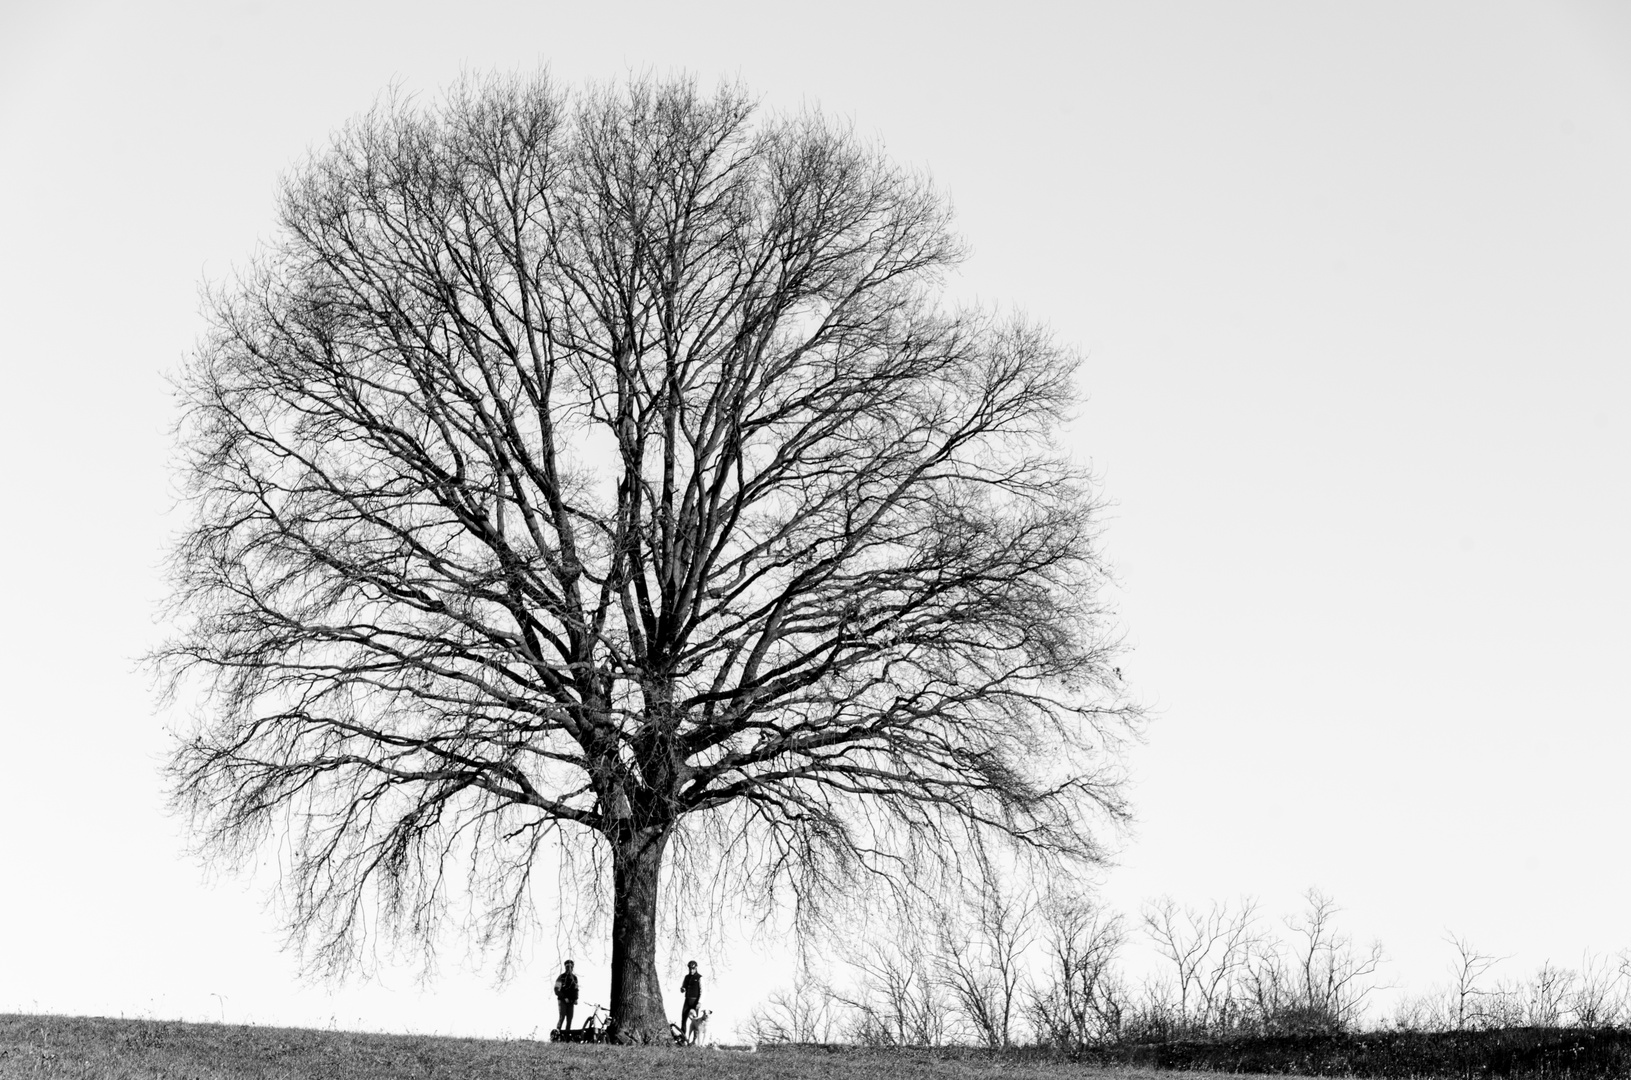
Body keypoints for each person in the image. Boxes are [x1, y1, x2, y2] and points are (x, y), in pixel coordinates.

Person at [679, 960, 703, 1041]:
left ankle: (694, 1040)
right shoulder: (687, 977)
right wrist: (683, 989)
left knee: (695, 1021)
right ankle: (683, 1038)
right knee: (684, 1018)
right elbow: (684, 986)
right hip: (687, 1000)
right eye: (690, 969)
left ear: (696, 968)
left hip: (695, 1001)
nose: (691, 970)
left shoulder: (700, 978)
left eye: (693, 969)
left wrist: (700, 1002)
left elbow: (703, 991)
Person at [554, 960, 579, 1034]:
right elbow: (556, 989)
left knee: (570, 1019)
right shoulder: (561, 977)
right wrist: (564, 997)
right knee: (562, 1017)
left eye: (571, 967)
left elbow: (576, 989)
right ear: (565, 967)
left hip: (571, 1001)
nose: (569, 968)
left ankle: (566, 1035)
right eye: (567, 966)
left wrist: (576, 999)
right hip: (562, 1001)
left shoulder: (575, 978)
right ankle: (557, 1032)